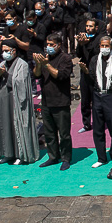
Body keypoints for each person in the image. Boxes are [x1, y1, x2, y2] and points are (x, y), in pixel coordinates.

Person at [0, 40, 40, 165]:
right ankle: (7, 153)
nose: (5, 53)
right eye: (3, 51)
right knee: (4, 126)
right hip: (3, 99)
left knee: (17, 126)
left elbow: (20, 83)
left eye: (7, 50)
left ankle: (21, 154)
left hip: (16, 101)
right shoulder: (2, 63)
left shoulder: (21, 65)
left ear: (14, 50)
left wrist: (5, 75)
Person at [35, 34, 73, 170]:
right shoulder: (45, 58)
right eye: (48, 44)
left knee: (64, 133)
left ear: (59, 45)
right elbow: (37, 75)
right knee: (49, 133)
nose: (49, 47)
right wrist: (39, 65)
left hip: (61, 101)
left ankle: (66, 158)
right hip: (46, 101)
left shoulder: (66, 59)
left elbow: (60, 75)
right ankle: (53, 156)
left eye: (52, 44)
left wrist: (47, 65)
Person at [89, 35, 112, 177]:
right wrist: (87, 72)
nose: (104, 48)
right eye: (102, 46)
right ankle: (101, 158)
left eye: (106, 46)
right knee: (98, 128)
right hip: (98, 95)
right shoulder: (94, 60)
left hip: (111, 96)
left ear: (111, 47)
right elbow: (92, 78)